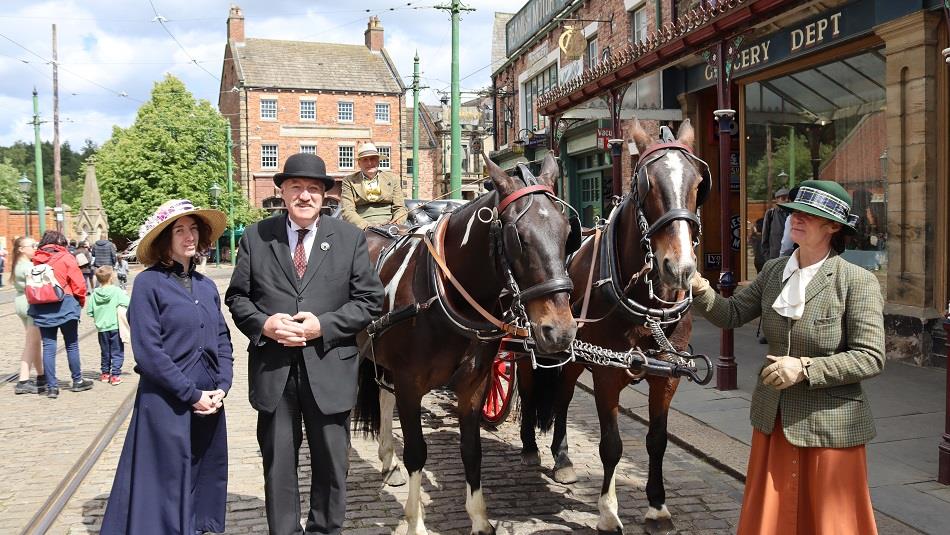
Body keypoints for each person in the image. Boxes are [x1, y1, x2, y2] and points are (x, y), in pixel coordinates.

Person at [690, 180, 884, 535]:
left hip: (831, 425)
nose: (797, 219)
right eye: (795, 212)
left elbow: (870, 357)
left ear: (833, 227)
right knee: (774, 519)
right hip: (774, 417)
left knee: (831, 522)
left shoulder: (857, 281)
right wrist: (700, 288)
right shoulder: (774, 271)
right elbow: (730, 315)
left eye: (809, 215)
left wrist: (805, 367)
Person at [226, 152, 384, 535]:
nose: (305, 195)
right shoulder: (256, 237)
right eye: (296, 187)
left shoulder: (348, 239)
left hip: (329, 368)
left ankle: (325, 530)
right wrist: (264, 324)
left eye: (313, 188)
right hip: (275, 372)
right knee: (278, 463)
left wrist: (323, 326)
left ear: (325, 195)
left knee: (332, 464)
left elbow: (370, 301)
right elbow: (237, 297)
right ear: (282, 191)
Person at [101, 199, 233, 535]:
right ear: (164, 238)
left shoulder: (206, 286)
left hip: (209, 400)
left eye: (193, 229)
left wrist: (222, 385)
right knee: (165, 479)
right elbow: (148, 352)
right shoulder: (148, 284)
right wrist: (191, 395)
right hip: (166, 400)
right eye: (180, 230)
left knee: (202, 470)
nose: (189, 236)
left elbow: (221, 338)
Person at [28, 231, 91, 399]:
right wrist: (80, 302)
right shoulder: (66, 257)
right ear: (60, 243)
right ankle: (77, 381)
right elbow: (79, 284)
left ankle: (52, 387)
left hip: (42, 307)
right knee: (71, 344)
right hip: (66, 304)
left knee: (48, 347)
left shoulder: (36, 259)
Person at [340, 142, 409, 229]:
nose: (369, 163)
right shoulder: (349, 181)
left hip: (390, 225)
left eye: (373, 159)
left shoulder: (392, 178)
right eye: (365, 159)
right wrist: (366, 226)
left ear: (378, 161)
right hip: (361, 227)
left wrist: (395, 223)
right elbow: (348, 211)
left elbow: (400, 208)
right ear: (359, 163)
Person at [12, 236, 45, 395]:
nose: (35, 248)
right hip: (30, 304)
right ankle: (23, 380)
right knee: (32, 343)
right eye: (32, 245)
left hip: (22, 302)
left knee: (35, 342)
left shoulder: (19, 264)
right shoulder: (26, 266)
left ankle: (41, 374)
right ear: (21, 249)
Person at [87, 266, 130, 385]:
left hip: (102, 328)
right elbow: (127, 302)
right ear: (111, 278)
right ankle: (115, 375)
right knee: (117, 351)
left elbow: (89, 311)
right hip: (115, 326)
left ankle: (105, 373)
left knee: (105, 351)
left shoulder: (95, 293)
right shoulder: (116, 291)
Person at [760, 187, 790, 261]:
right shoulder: (771, 213)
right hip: (774, 257)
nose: (787, 200)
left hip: (790, 257)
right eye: (783, 198)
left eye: (789, 198)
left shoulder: (793, 215)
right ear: (777, 200)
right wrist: (767, 257)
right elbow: (765, 237)